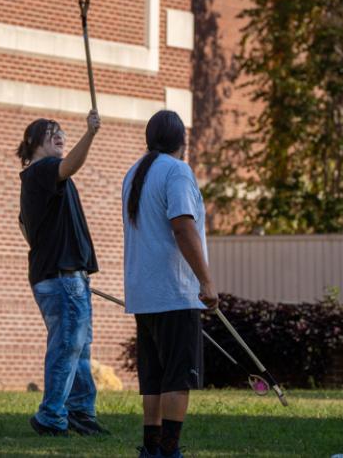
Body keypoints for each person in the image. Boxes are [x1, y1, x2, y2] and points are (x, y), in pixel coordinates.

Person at [122, 110, 219, 458]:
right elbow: (182, 226)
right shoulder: (177, 171)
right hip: (175, 293)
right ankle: (170, 451)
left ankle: (151, 450)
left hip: (143, 294)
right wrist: (206, 281)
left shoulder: (134, 173)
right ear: (183, 141)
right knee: (178, 378)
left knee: (154, 379)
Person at [17, 110, 109, 437]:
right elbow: (70, 164)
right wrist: (91, 134)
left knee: (78, 347)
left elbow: (26, 228)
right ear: (33, 142)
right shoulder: (42, 171)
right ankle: (51, 415)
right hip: (63, 277)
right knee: (67, 346)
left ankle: (81, 412)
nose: (61, 136)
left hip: (66, 277)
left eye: (63, 133)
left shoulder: (37, 182)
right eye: (52, 132)